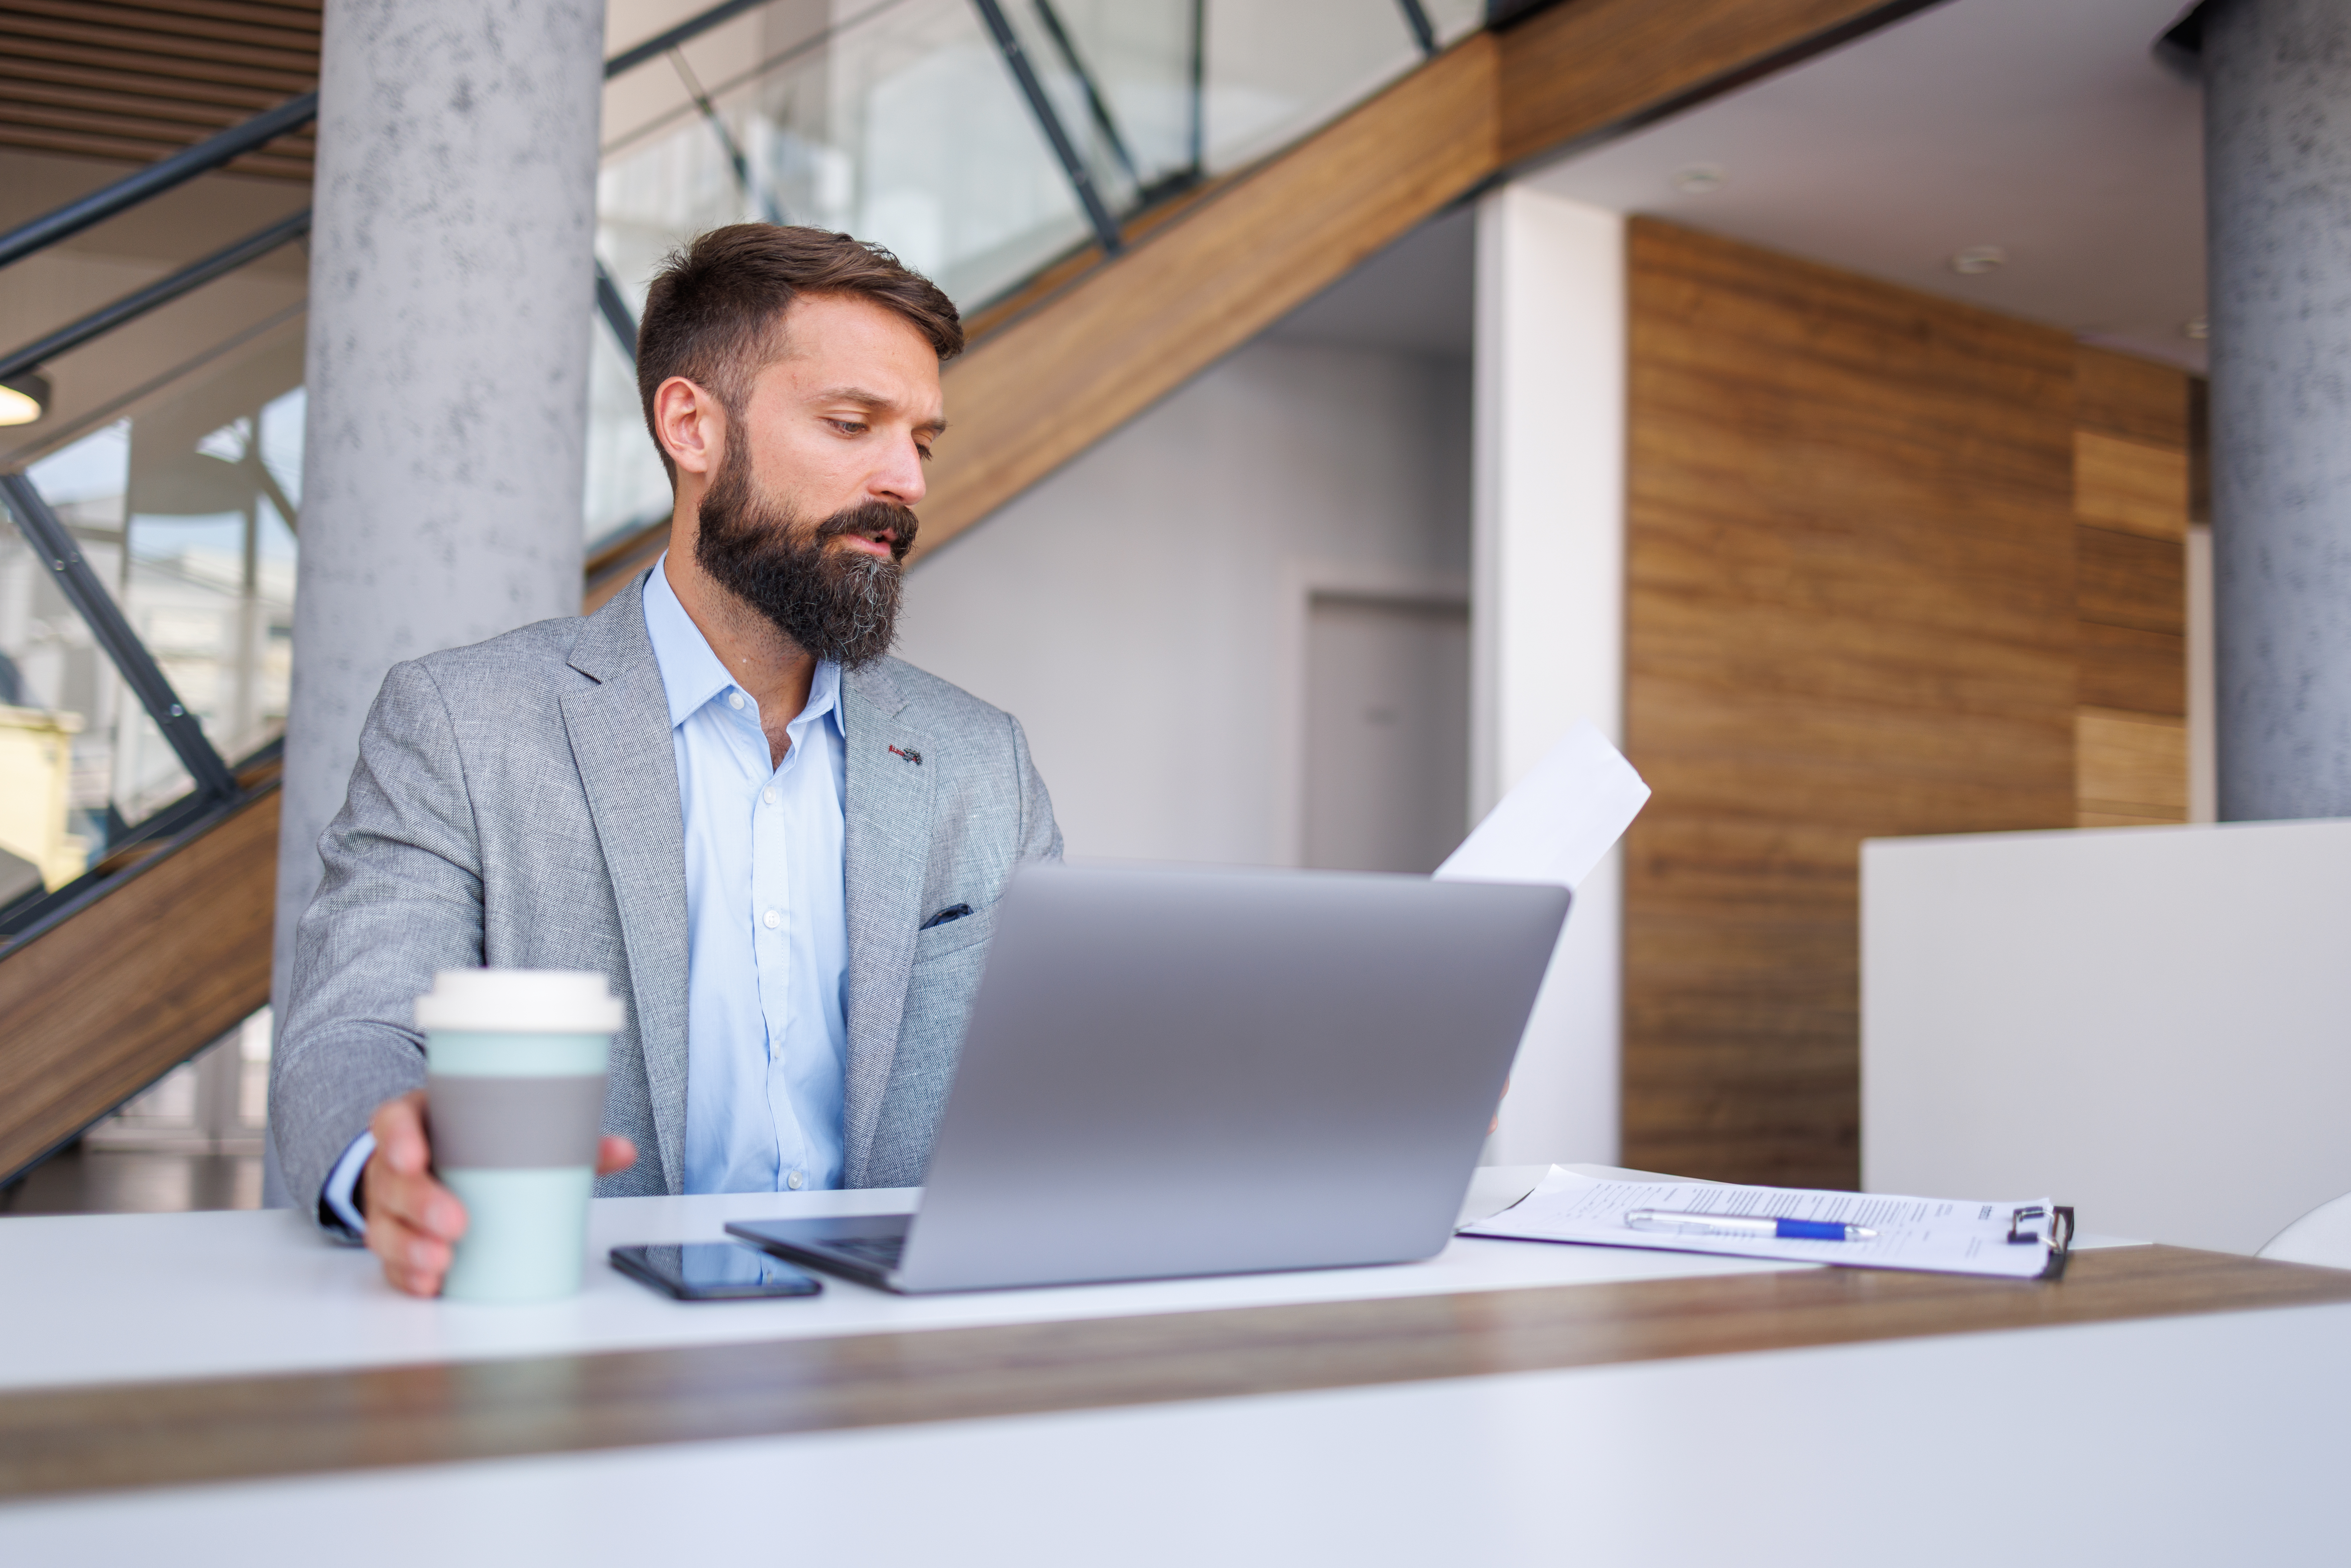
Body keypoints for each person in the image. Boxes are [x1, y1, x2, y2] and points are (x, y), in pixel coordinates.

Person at [271, 225, 1061, 1297]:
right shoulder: (462, 724)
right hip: (579, 1340)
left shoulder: (983, 764)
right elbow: (350, 1032)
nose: (904, 476)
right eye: (851, 423)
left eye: (922, 439)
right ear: (691, 425)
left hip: (899, 1353)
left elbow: (1064, 1073)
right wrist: (389, 1161)